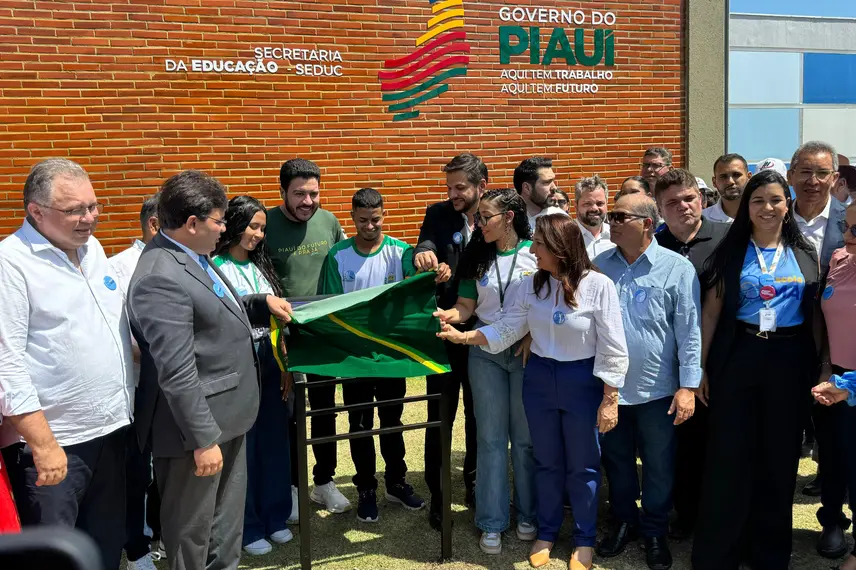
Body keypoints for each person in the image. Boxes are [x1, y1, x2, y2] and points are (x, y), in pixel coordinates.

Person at [437, 214, 629, 570]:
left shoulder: (599, 286)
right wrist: (465, 337)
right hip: (539, 378)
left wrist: (610, 398)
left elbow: (614, 347)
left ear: (560, 247)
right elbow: (509, 327)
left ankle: (584, 539)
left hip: (582, 381)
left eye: (540, 244)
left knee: (583, 466)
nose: (534, 249)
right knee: (546, 460)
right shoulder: (532, 285)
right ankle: (547, 531)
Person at [127, 170, 293, 570]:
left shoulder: (191, 257)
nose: (224, 229)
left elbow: (212, 309)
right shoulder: (160, 277)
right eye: (219, 221)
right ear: (192, 223)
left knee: (224, 527)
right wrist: (202, 439)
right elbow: (177, 369)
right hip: (195, 433)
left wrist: (257, 302)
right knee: (193, 533)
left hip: (228, 417)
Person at [0, 159, 133, 570]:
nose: (89, 218)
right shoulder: (10, 262)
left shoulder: (92, 248)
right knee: (58, 558)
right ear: (36, 212)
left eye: (93, 206)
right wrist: (43, 445)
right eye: (75, 209)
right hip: (56, 447)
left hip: (112, 431)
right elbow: (6, 364)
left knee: (105, 548)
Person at [691, 169, 821, 570]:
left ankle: (768, 552)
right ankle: (721, 553)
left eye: (776, 200)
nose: (768, 208)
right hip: (739, 357)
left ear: (788, 205)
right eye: (758, 200)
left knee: (779, 457)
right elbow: (711, 314)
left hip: (789, 361)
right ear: (747, 207)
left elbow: (815, 316)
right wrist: (701, 368)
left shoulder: (805, 252)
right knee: (730, 457)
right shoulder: (730, 252)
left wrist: (823, 367)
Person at [317, 188, 441, 522]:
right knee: (359, 425)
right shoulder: (337, 255)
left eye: (375, 219)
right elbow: (331, 307)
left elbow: (419, 284)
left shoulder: (401, 252)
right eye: (361, 220)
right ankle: (366, 488)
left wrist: (435, 271)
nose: (369, 226)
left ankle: (396, 482)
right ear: (352, 218)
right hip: (355, 358)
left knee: (391, 421)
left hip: (390, 357)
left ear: (383, 215)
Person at [594, 194, 701, 570]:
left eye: (620, 215)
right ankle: (624, 521)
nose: (611, 221)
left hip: (659, 391)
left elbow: (690, 332)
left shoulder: (677, 268)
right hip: (611, 389)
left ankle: (654, 529)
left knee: (658, 464)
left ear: (647, 223)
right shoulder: (598, 266)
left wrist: (688, 385)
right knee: (618, 461)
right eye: (611, 214)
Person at [434, 188, 538, 555]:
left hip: (526, 356)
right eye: (479, 218)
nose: (479, 224)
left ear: (509, 217)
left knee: (525, 441)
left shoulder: (535, 252)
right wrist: (452, 316)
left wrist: (533, 336)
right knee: (491, 440)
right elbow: (466, 305)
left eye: (486, 217)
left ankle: (529, 514)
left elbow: (548, 299)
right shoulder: (476, 256)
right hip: (484, 354)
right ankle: (492, 521)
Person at [265, 158, 350, 516]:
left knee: (325, 409)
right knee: (289, 413)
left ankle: (323, 482)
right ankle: (292, 486)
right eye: (299, 194)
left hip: (322, 332)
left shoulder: (329, 222)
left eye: (313, 193)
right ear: (282, 191)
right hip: (281, 335)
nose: (307, 201)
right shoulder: (264, 224)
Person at [211, 196, 294, 556]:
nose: (258, 234)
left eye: (262, 228)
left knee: (275, 439)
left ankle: (276, 516)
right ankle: (247, 526)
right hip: (237, 362)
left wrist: (285, 364)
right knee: (245, 446)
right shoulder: (213, 267)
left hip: (271, 359)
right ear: (232, 224)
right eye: (252, 226)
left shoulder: (264, 267)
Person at [652, 169, 728, 540]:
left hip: (719, 361)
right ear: (659, 209)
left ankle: (713, 515)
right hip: (667, 365)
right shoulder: (654, 246)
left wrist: (702, 367)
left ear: (702, 198)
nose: (683, 207)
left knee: (714, 444)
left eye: (689, 198)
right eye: (672, 202)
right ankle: (684, 514)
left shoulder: (728, 239)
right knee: (677, 443)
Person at [413, 153, 484, 528]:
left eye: (461, 187)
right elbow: (423, 245)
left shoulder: (495, 214)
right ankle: (439, 497)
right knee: (439, 417)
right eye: (449, 187)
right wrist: (424, 254)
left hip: (484, 336)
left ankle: (474, 485)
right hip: (444, 333)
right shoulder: (438, 213)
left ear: (480, 187)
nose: (453, 194)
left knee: (479, 416)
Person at [786, 141, 849, 556]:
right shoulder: (770, 217)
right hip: (782, 350)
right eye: (804, 172)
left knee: (835, 441)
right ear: (791, 175)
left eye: (821, 173)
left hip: (840, 350)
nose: (812, 181)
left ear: (834, 179)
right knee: (781, 436)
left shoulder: (850, 222)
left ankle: (832, 520)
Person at [110, 195, 166, 570]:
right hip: (138, 387)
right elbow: (122, 334)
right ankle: (137, 546)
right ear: (156, 225)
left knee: (166, 466)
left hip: (172, 386)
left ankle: (161, 533)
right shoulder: (118, 268)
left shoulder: (177, 262)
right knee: (137, 470)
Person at [809, 201, 856, 570]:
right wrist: (827, 369)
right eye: (846, 226)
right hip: (834, 375)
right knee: (833, 455)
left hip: (851, 382)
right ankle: (833, 520)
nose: (846, 236)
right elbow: (826, 322)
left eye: (855, 230)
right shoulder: (840, 260)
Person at [574, 175, 615, 259]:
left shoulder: (616, 235)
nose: (594, 208)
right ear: (576, 207)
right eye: (587, 204)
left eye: (600, 203)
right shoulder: (565, 237)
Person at [513, 156, 558, 230]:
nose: (554, 188)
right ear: (527, 188)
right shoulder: (507, 222)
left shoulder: (561, 220)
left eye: (553, 181)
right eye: (547, 182)